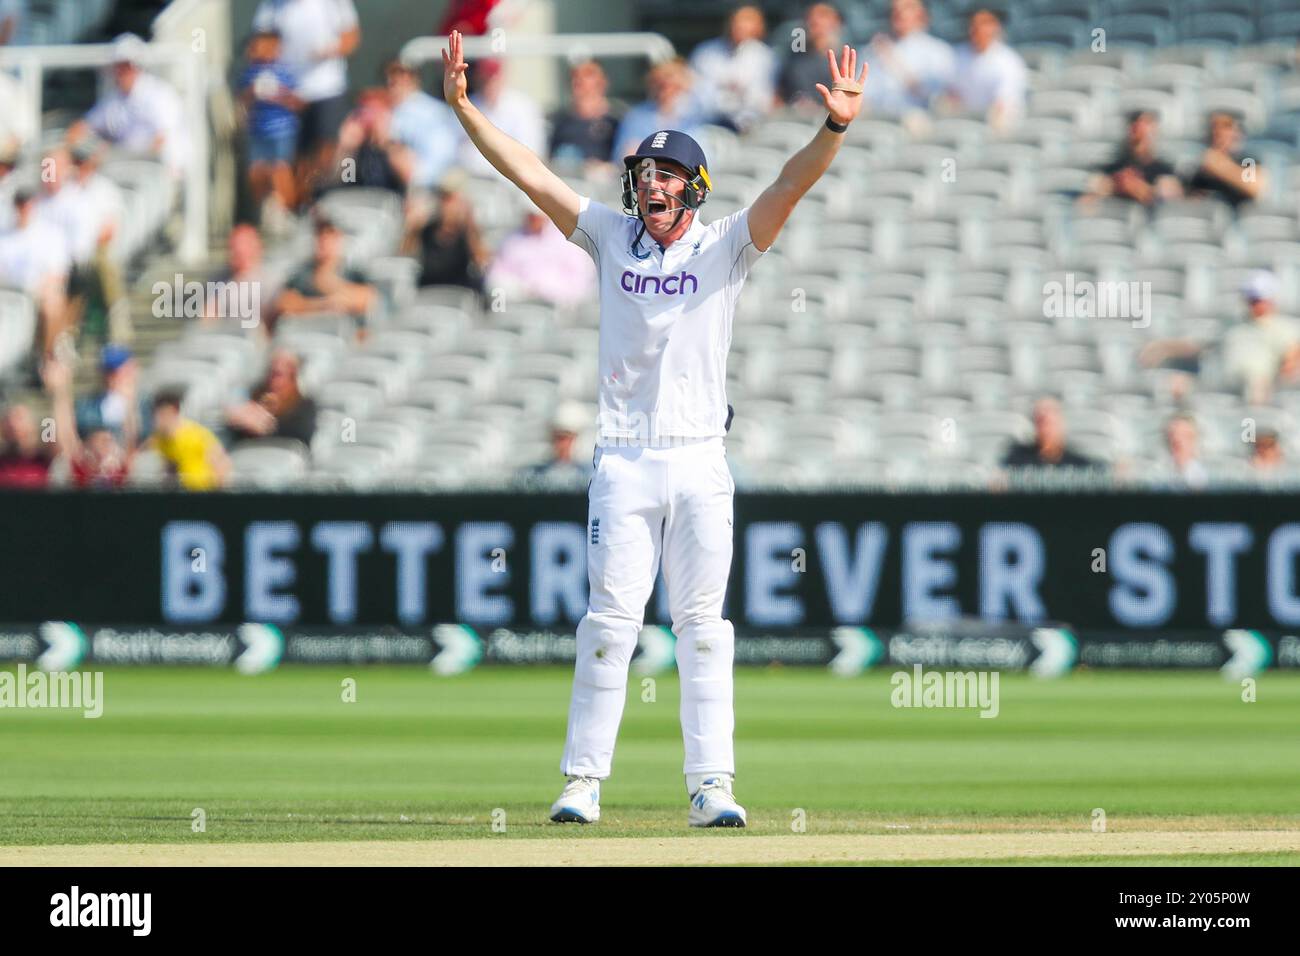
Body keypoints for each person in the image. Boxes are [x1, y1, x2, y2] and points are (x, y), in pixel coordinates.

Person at [443, 29, 868, 827]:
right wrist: (467, 110)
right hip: (624, 460)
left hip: (702, 459)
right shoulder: (607, 234)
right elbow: (530, 173)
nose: (652, 188)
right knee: (609, 626)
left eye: (668, 176)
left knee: (705, 631)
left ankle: (713, 786)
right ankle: (582, 782)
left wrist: (835, 128)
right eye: (645, 175)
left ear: (696, 188)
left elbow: (789, 185)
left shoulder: (727, 245)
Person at [252, 0, 361, 206]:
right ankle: (297, 206)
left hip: (327, 88)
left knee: (327, 149)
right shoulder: (272, 5)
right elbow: (261, 42)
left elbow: (351, 37)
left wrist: (331, 49)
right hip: (286, 93)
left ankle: (321, 198)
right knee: (288, 160)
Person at [72, 34, 189, 179]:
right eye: (119, 66)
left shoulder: (160, 95)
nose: (121, 72)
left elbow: (160, 143)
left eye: (127, 66)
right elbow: (82, 127)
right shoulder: (113, 99)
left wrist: (115, 155)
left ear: (137, 66)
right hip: (125, 169)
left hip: (160, 172)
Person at [238, 28, 303, 228]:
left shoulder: (285, 71)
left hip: (281, 131)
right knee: (256, 172)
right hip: (257, 131)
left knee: (280, 170)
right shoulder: (249, 73)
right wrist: (253, 93)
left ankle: (288, 212)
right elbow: (241, 102)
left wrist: (277, 94)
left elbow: (298, 102)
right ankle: (262, 215)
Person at [0, 187, 71, 359]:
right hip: (8, 290)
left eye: (27, 203)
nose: (24, 208)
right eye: (20, 204)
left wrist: (40, 287)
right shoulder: (4, 235)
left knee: (52, 303)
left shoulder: (49, 234)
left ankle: (47, 355)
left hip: (38, 290)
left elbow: (58, 273)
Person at [272, 214, 377, 327]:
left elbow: (369, 299)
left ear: (339, 238)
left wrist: (331, 284)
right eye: (321, 235)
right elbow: (284, 303)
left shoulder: (353, 272)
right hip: (309, 330)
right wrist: (321, 305)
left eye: (330, 235)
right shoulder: (302, 273)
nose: (324, 241)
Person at [42, 358, 130, 489]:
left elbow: (130, 436)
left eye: (107, 441)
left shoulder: (119, 470)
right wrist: (58, 394)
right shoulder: (79, 467)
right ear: (88, 443)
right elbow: (53, 438)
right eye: (100, 441)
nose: (104, 446)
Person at [688, 4, 776, 133]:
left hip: (751, 127)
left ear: (758, 26)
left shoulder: (766, 57)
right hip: (707, 123)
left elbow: (762, 100)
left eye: (747, 21)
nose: (740, 26)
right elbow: (697, 95)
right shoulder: (705, 52)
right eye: (736, 21)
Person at [485, 208, 596, 307]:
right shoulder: (512, 240)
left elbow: (580, 284)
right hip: (520, 305)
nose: (533, 219)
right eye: (530, 215)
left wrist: (544, 290)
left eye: (536, 215)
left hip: (558, 310)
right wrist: (521, 289)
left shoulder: (568, 239)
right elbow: (495, 280)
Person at [458, 59, 546, 180]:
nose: (489, 84)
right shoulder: (469, 104)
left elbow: (530, 152)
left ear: (502, 77)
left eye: (493, 78)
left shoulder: (523, 106)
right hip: (475, 180)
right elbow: (462, 151)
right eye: (484, 79)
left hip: (515, 181)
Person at [867, 0, 955, 116]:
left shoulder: (939, 52)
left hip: (922, 121)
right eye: (895, 9)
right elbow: (866, 93)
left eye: (907, 8)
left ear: (922, 13)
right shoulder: (874, 49)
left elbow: (939, 99)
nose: (899, 13)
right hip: (882, 120)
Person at [406, 170, 490, 292]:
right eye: (443, 197)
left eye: (450, 198)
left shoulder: (467, 229)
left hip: (459, 292)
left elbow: (481, 262)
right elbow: (405, 254)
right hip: (429, 290)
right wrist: (413, 228)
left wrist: (469, 224)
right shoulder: (427, 228)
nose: (446, 204)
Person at [385, 59, 460, 193]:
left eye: (403, 76)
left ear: (414, 80)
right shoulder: (386, 111)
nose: (396, 84)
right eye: (392, 79)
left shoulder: (432, 111)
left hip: (432, 187)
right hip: (395, 187)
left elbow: (443, 157)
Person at [611, 59, 707, 161]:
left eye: (672, 83)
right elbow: (626, 155)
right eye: (660, 84)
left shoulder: (702, 114)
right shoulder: (638, 117)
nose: (666, 89)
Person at [947, 9, 1026, 131]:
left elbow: (1004, 102)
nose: (977, 29)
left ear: (995, 27)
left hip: (997, 120)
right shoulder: (958, 55)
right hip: (966, 118)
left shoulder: (1008, 60)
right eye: (974, 24)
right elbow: (952, 92)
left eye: (984, 24)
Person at [225, 349, 318, 447]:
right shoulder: (256, 396)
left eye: (279, 374)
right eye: (271, 372)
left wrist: (267, 427)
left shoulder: (305, 405)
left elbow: (302, 437)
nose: (274, 381)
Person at [1087, 110, 1182, 206]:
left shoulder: (1166, 171)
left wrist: (1140, 189)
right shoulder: (1112, 169)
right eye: (1135, 127)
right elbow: (1088, 201)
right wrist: (1115, 186)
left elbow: (1173, 203)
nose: (1139, 132)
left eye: (1146, 127)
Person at [328, 90, 408, 196]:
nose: (370, 118)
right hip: (354, 202)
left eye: (376, 112)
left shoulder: (395, 144)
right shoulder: (355, 150)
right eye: (365, 111)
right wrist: (347, 147)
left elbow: (408, 177)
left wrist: (385, 142)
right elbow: (345, 179)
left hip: (388, 203)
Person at [147, 390, 230, 491]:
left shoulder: (197, 435)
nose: (159, 419)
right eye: (157, 415)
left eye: (163, 414)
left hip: (203, 492)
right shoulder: (158, 439)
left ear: (175, 411)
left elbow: (222, 465)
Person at [549, 60, 622, 171]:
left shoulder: (617, 121)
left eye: (588, 75)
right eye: (575, 76)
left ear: (602, 82)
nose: (579, 80)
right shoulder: (560, 122)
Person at [75, 344, 148, 451]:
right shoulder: (88, 405)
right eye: (108, 372)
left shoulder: (146, 404)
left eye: (117, 371)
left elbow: (140, 441)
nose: (112, 377)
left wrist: (130, 404)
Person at [778, 3, 850, 110]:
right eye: (810, 16)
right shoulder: (794, 59)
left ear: (837, 22)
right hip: (797, 119)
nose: (816, 20)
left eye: (823, 15)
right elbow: (780, 94)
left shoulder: (848, 58)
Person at [1186, 112, 1265, 208]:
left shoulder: (1247, 160)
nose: (1218, 131)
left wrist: (1219, 165)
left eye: (1226, 126)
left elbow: (1254, 187)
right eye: (1214, 126)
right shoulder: (1201, 166)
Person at [1001, 398, 1097, 470]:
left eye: (1051, 423)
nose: (1047, 429)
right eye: (1041, 423)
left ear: (1061, 424)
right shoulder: (1017, 460)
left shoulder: (1077, 463)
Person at [519, 401, 592, 485]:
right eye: (558, 438)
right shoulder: (536, 475)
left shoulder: (590, 476)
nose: (562, 444)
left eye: (566, 438)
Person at [0, 402, 53, 488]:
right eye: (8, 419)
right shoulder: (2, 460)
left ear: (33, 425)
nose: (12, 423)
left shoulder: (43, 457)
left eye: (18, 418)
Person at [1163, 414, 1208, 491]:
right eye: (1172, 435)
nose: (1177, 439)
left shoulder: (1206, 476)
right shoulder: (1158, 475)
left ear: (1194, 439)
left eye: (1183, 435)